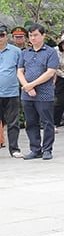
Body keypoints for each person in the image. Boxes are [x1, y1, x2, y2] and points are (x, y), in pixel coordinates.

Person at [17, 24, 59, 160]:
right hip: (27, 94)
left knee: (47, 122)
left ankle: (47, 149)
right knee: (30, 122)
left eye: (35, 35)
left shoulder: (50, 52)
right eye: (30, 35)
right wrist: (27, 87)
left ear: (43, 35)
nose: (33, 38)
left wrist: (32, 85)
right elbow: (20, 71)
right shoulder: (25, 53)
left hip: (44, 93)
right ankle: (35, 149)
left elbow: (50, 72)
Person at [0, 24, 24, 158]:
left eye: (1, 35)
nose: (0, 38)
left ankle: (14, 148)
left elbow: (21, 70)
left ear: (7, 36)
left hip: (11, 92)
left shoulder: (16, 51)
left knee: (13, 122)